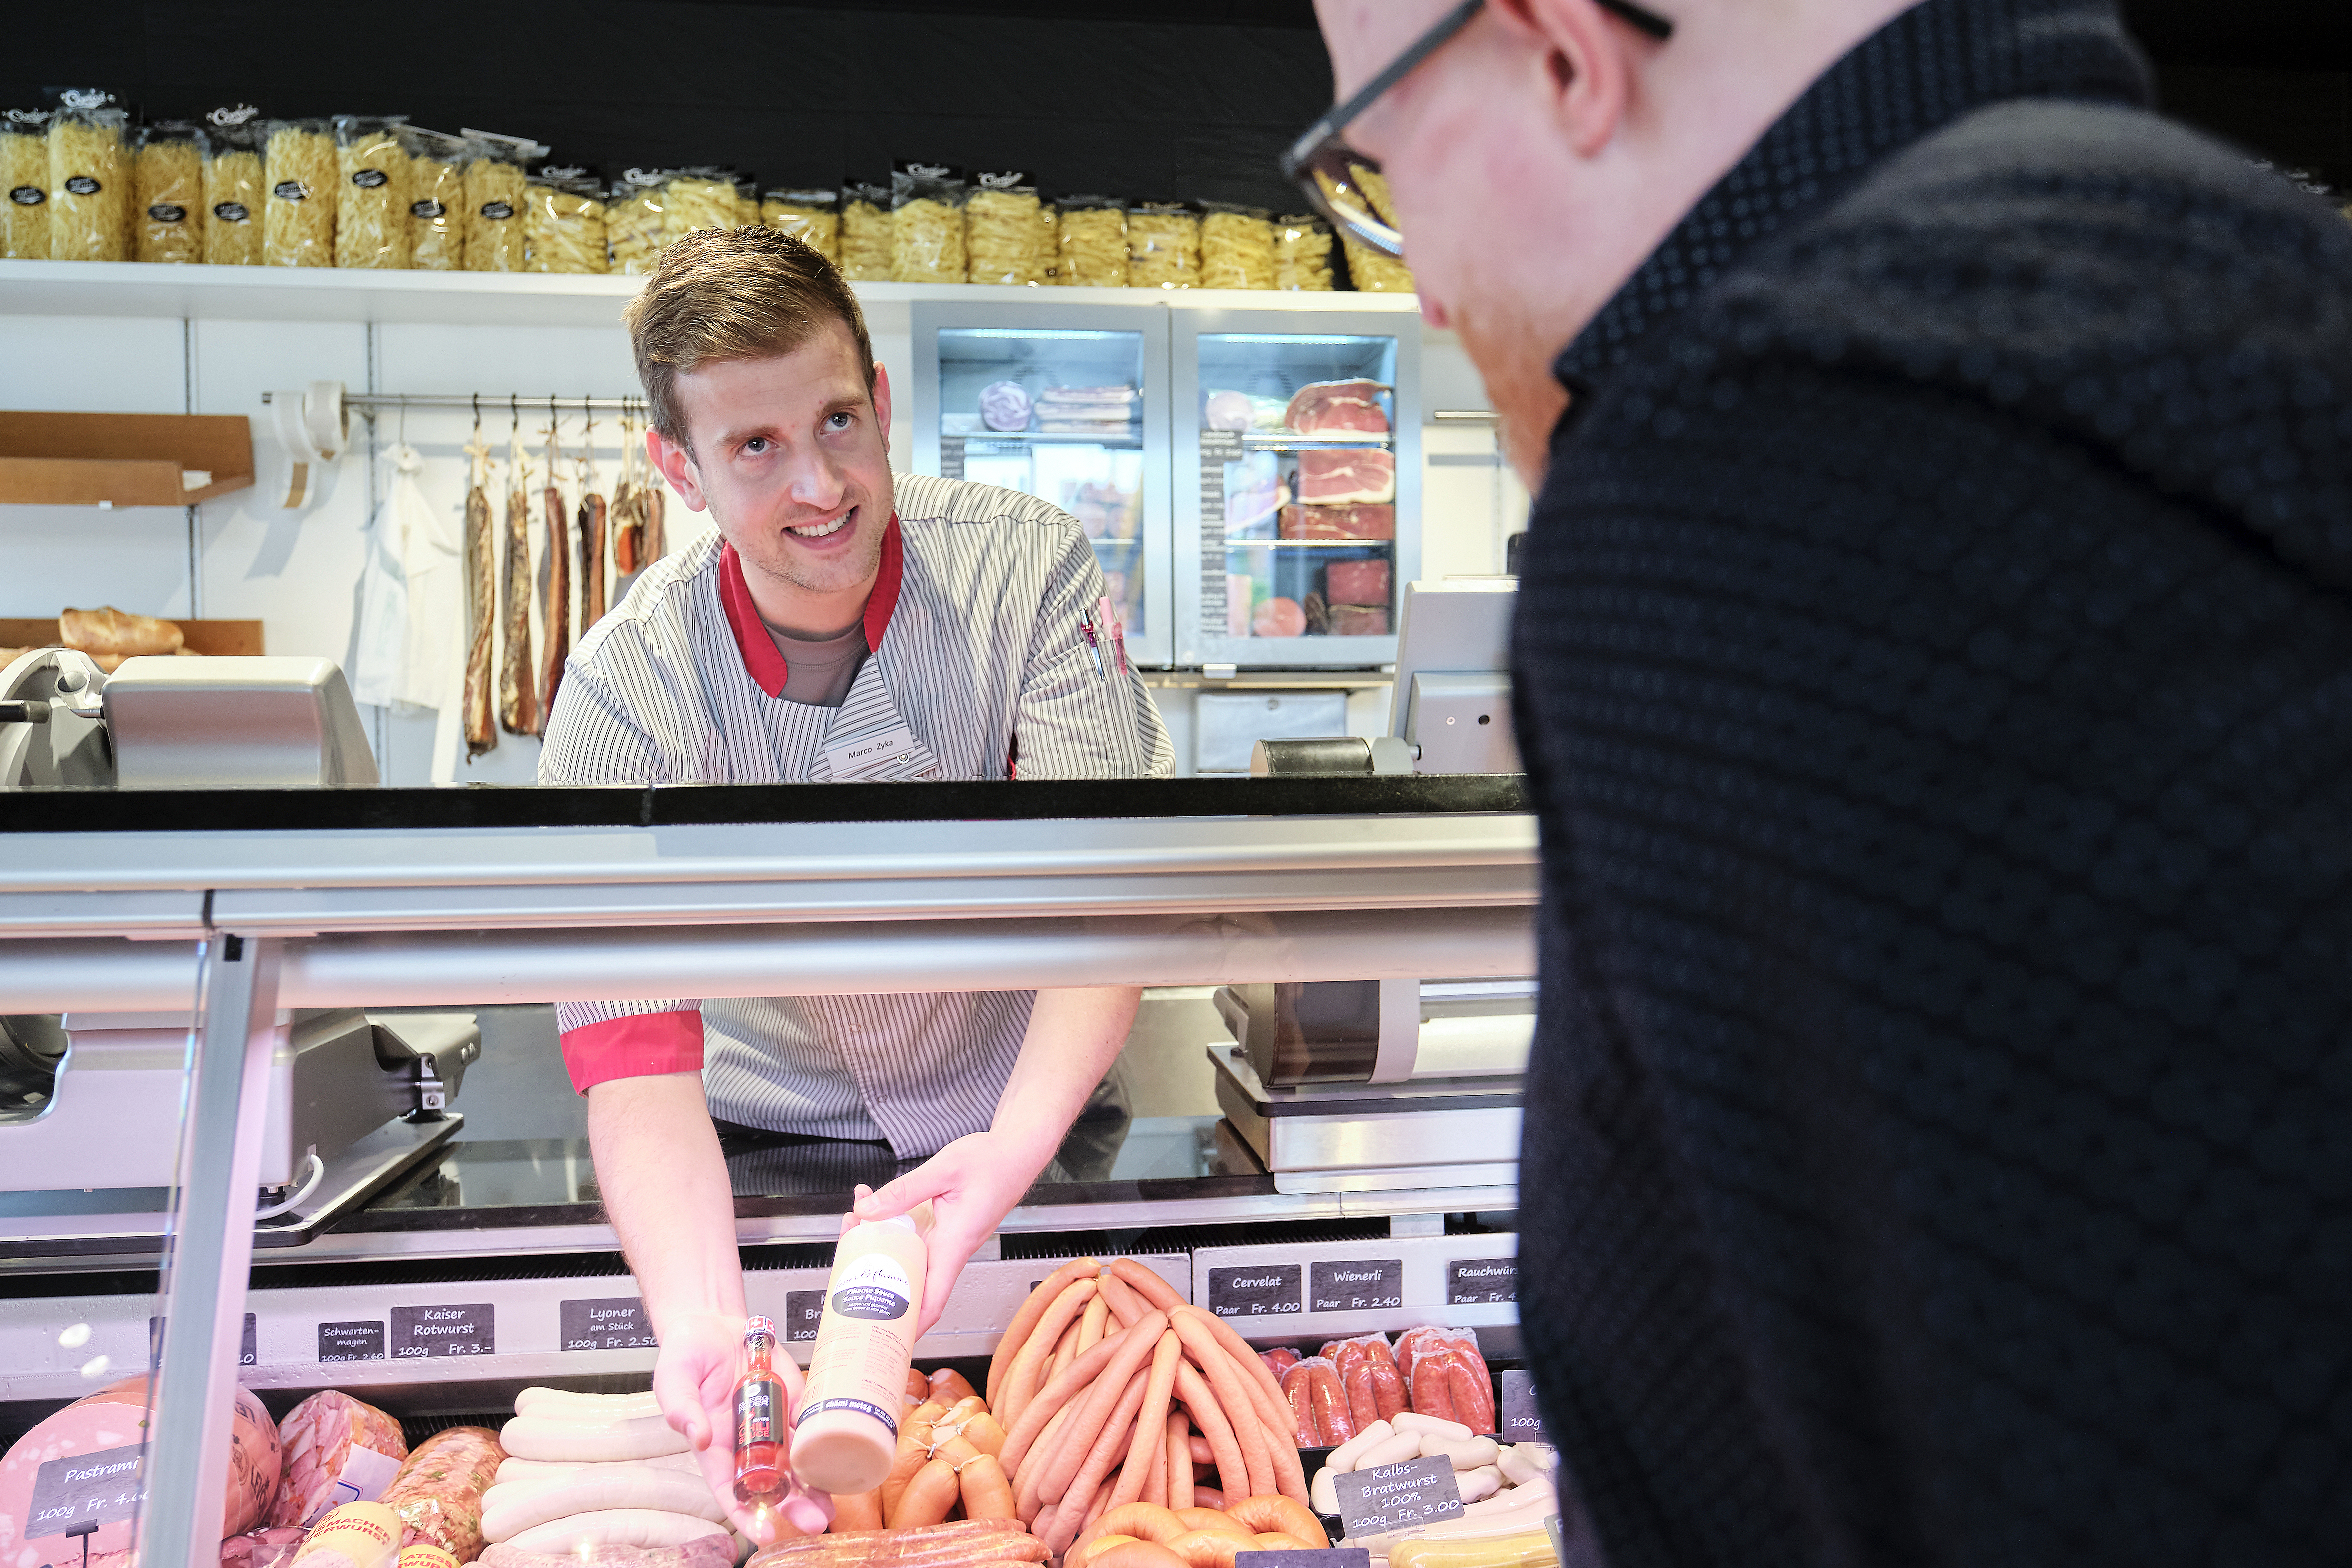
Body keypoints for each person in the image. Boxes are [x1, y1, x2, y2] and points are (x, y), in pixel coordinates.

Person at [1301, 0, 2351, 1563]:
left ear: (1560, 50)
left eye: (1377, 177)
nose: (1431, 298)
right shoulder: (2244, 267)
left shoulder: (1752, 468)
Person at [538, 226, 1173, 1539]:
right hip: (764, 1140)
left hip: (1028, 1104)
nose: (820, 485)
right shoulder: (623, 685)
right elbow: (632, 1045)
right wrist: (703, 1318)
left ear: (881, 399)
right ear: (678, 466)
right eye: (754, 447)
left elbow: (1107, 894)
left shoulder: (1026, 568)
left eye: (838, 420)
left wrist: (1011, 1148)